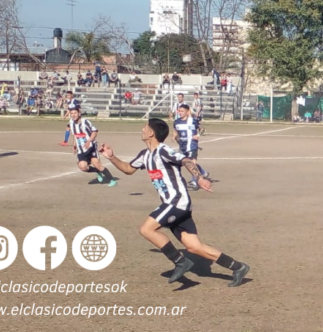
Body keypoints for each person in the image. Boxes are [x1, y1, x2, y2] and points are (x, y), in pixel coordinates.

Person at [99, 118, 250, 287]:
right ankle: (238, 267)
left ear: (151, 133)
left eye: (145, 127)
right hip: (174, 204)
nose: (142, 129)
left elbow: (186, 160)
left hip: (176, 202)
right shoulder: (145, 155)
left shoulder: (164, 151)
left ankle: (180, 261)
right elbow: (128, 169)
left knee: (146, 229)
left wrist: (199, 178)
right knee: (194, 247)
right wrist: (111, 157)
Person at [67, 107, 116, 186]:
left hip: (91, 147)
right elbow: (75, 135)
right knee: (83, 167)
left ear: (79, 113)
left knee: (98, 165)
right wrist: (74, 146)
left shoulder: (85, 122)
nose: (73, 115)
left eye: (75, 113)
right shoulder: (71, 123)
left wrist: (89, 141)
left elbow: (95, 131)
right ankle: (97, 171)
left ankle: (112, 180)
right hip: (81, 150)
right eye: (71, 113)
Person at [173, 103, 210, 189]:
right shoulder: (176, 122)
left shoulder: (193, 121)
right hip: (183, 146)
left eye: (182, 111)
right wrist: (174, 137)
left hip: (192, 145)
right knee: (187, 163)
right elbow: (175, 132)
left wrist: (198, 135)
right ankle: (203, 172)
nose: (180, 113)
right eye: (179, 111)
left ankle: (194, 182)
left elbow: (202, 129)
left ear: (187, 112)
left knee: (192, 162)